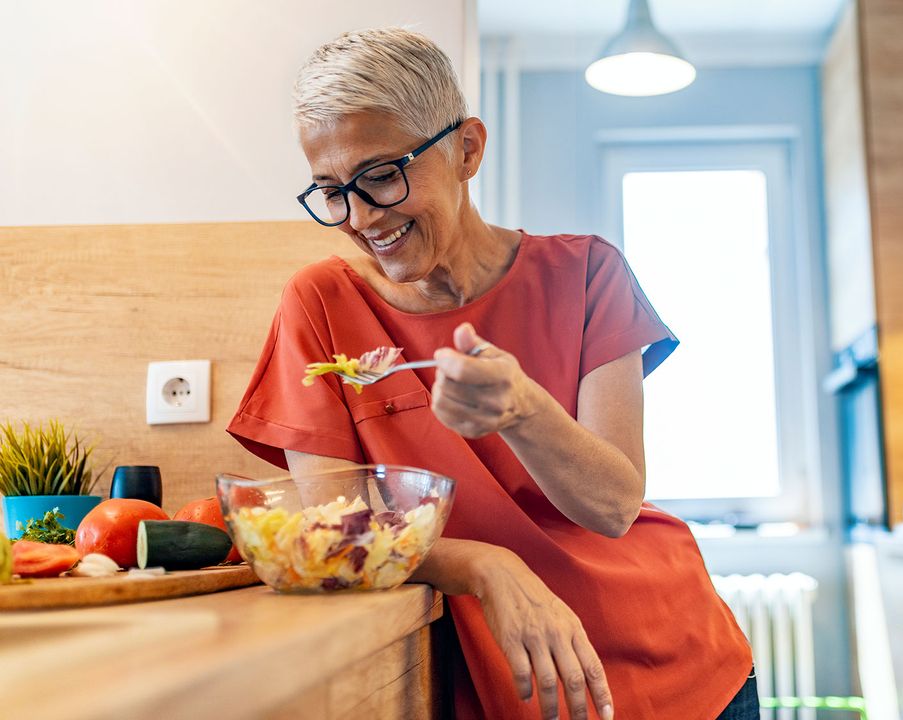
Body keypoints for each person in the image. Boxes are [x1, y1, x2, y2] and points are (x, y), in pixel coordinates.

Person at [227, 27, 758, 720]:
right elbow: (337, 535)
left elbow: (613, 505)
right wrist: (482, 565)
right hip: (517, 685)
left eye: (382, 175)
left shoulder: (587, 273)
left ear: (467, 149)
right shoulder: (320, 305)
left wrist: (523, 410)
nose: (359, 217)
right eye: (332, 190)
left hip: (684, 667)